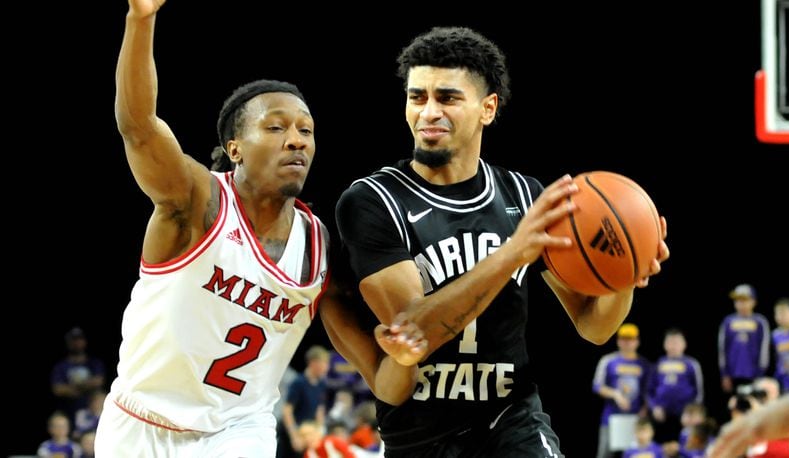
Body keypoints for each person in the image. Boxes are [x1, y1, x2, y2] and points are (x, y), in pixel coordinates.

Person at [98, 3, 425, 456]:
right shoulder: (197, 204)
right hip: (139, 423)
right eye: (276, 127)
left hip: (238, 430)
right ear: (235, 147)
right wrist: (141, 18)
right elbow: (138, 128)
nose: (297, 139)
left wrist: (405, 356)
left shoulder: (319, 251)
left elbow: (383, 380)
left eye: (306, 130)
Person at [334, 26, 669, 457]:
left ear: (487, 108)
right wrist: (512, 253)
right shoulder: (372, 202)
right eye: (417, 97)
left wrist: (626, 270)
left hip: (511, 420)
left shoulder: (522, 196)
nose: (428, 112)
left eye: (448, 98)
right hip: (421, 432)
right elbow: (414, 330)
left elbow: (595, 326)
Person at [708, 366, 789, 457]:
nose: (763, 400)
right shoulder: (748, 422)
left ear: (778, 394)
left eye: (766, 394)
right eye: (759, 394)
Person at [593, 323, 652, 458]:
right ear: (618, 341)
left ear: (637, 341)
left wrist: (645, 409)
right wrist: (616, 395)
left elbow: (648, 390)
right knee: (605, 454)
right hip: (611, 417)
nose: (627, 343)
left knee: (636, 454)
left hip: (637, 418)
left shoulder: (644, 364)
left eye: (631, 339)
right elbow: (597, 385)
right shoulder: (608, 361)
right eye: (624, 339)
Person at [718, 283, 771, 394]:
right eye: (737, 300)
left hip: (754, 374)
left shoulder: (760, 322)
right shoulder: (728, 322)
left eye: (744, 300)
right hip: (732, 376)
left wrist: (760, 374)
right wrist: (725, 374)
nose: (741, 304)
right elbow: (722, 348)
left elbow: (764, 349)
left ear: (754, 302)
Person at [51, 327, 106, 419]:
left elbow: (98, 381)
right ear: (68, 342)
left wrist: (73, 388)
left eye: (79, 339)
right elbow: (57, 388)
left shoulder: (94, 363)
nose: (76, 343)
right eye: (73, 340)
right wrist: (85, 386)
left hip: (92, 409)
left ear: (84, 341)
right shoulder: (61, 366)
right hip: (69, 411)